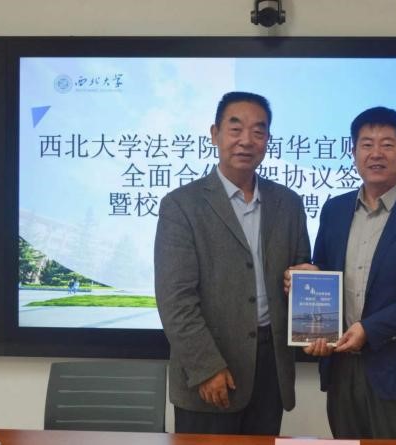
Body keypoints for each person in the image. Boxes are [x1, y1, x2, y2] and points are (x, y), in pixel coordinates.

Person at [288, 106, 396, 439]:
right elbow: (323, 276)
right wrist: (304, 284)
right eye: (366, 144)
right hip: (342, 370)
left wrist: (370, 329)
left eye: (387, 144)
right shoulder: (335, 210)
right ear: (353, 152)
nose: (375, 153)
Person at [154, 91, 311, 435]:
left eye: (258, 131)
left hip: (271, 367)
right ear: (215, 134)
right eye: (235, 128)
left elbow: (301, 272)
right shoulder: (181, 205)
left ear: (267, 140)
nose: (246, 140)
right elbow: (175, 300)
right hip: (211, 369)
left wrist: (304, 282)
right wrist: (206, 367)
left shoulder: (288, 203)